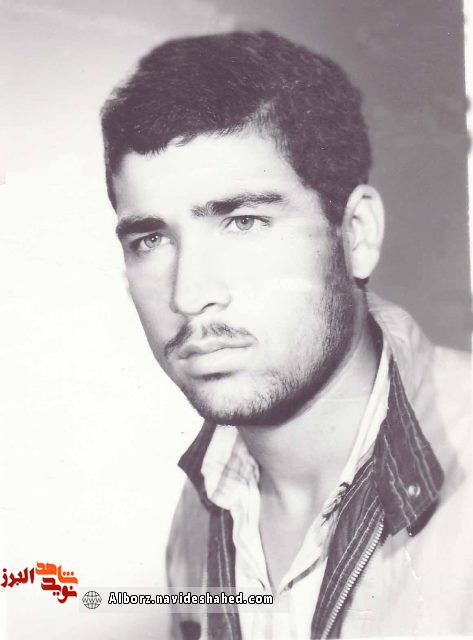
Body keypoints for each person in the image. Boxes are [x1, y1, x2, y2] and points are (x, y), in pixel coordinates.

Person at [100, 30, 472, 639]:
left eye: (244, 222)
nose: (188, 295)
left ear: (355, 234)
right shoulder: (200, 512)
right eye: (150, 239)